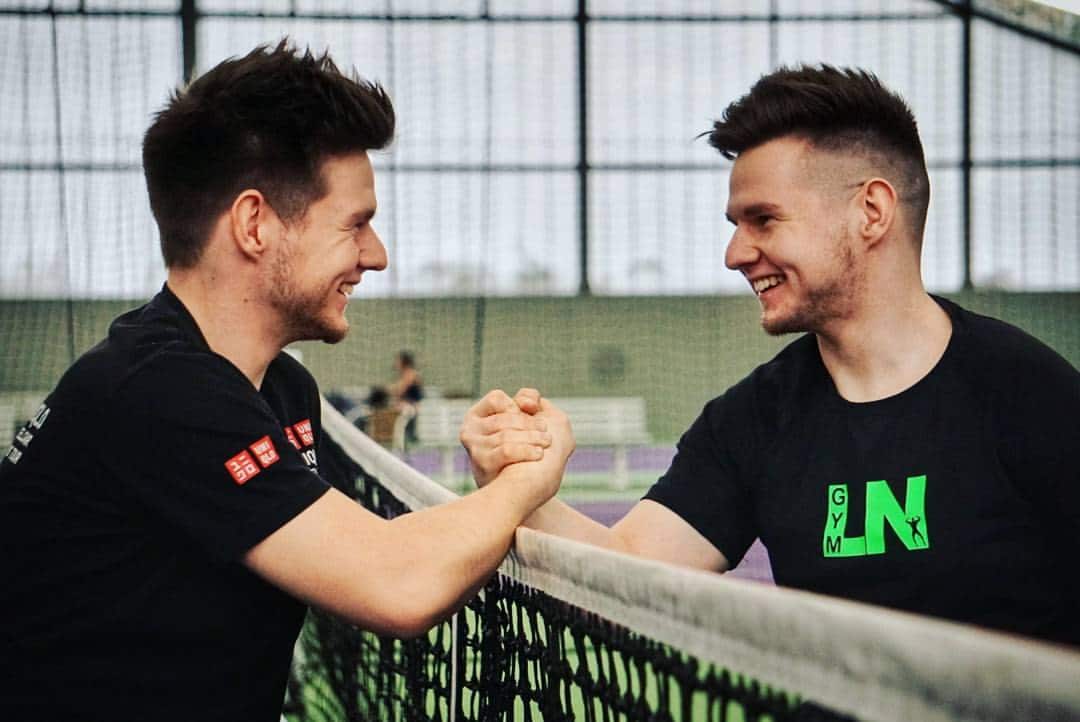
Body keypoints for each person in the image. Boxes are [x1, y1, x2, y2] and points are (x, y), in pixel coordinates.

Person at [0, 41, 570, 721]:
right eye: (355, 225)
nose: (377, 256)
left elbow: (366, 549)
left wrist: (488, 479)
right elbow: (395, 582)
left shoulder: (279, 390)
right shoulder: (156, 390)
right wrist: (528, 479)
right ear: (254, 224)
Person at [462, 65, 1080, 647]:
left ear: (871, 211)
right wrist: (521, 487)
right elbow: (630, 573)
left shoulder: (1031, 394)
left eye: (763, 219)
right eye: (736, 223)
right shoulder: (753, 420)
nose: (735, 252)